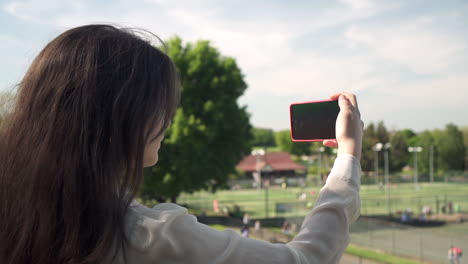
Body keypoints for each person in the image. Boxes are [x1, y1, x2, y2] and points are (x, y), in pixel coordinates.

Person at [0, 24, 363, 264]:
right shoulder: (152, 238)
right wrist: (348, 155)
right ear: (126, 117)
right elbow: (308, 259)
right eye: (161, 108)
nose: (167, 121)